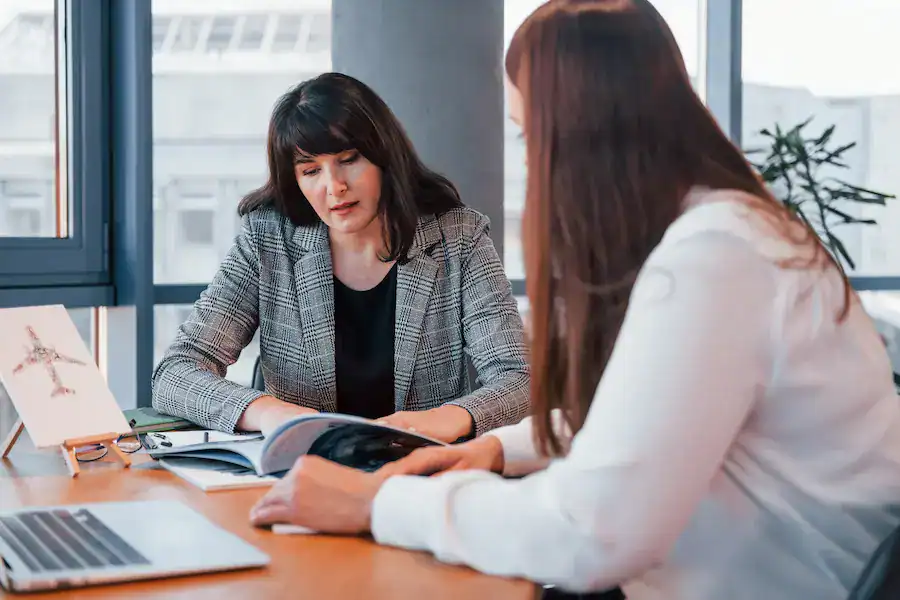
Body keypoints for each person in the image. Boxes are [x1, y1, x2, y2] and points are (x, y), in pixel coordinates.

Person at [247, 1, 900, 598]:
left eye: (531, 136)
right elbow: (645, 425)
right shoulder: (726, 232)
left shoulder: (716, 256)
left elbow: (591, 533)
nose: (533, 163)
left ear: (584, 135)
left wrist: (373, 503)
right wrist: (499, 450)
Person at [152, 72, 529, 442]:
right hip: (298, 477)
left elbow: (518, 379)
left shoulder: (458, 238)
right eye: (311, 170)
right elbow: (176, 371)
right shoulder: (268, 239)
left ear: (384, 156)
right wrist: (269, 412)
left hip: (419, 479)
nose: (334, 187)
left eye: (349, 159)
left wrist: (449, 418)